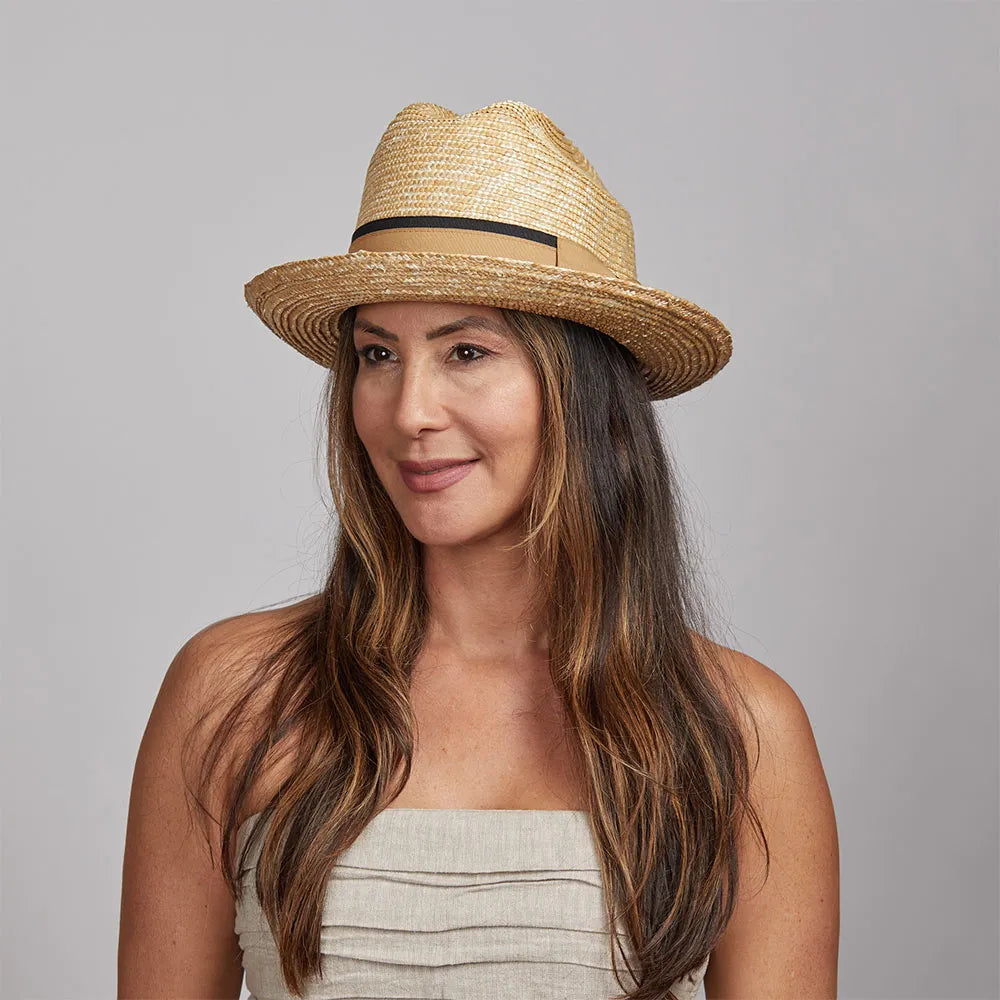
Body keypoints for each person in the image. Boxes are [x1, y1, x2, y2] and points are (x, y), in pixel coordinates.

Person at [118, 100, 840, 1000]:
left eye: (464, 350)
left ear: (584, 394)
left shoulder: (736, 728)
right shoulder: (234, 693)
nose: (409, 409)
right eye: (378, 355)